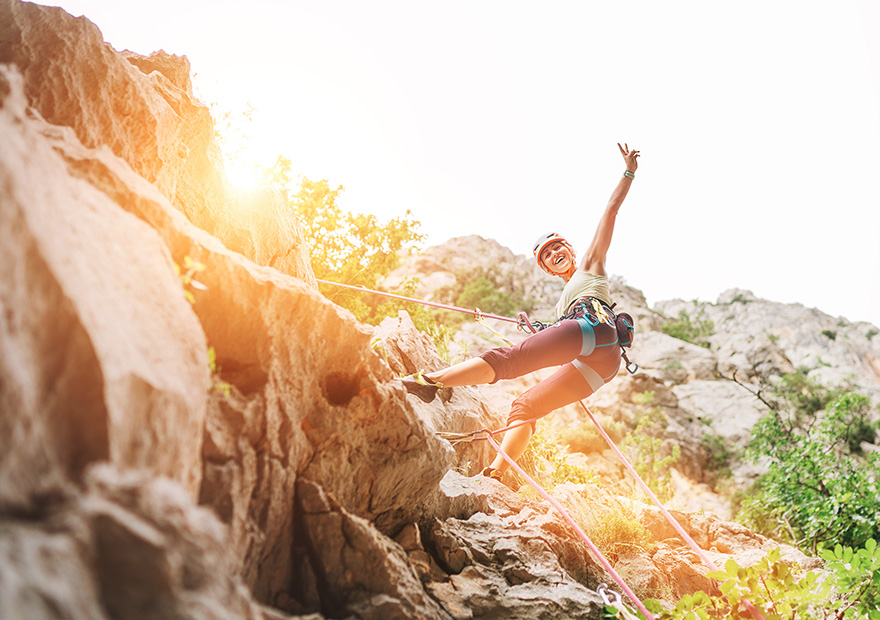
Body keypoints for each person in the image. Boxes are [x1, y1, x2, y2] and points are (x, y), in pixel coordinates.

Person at [403, 143, 640, 481]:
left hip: (593, 329)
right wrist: (544, 328)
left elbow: (610, 212)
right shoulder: (562, 306)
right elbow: (559, 337)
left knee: (509, 360)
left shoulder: (591, 266)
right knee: (526, 406)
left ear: (571, 251)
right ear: (546, 269)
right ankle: (496, 476)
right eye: (547, 254)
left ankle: (430, 382)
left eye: (558, 247)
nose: (555, 252)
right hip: (602, 364)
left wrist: (628, 172)